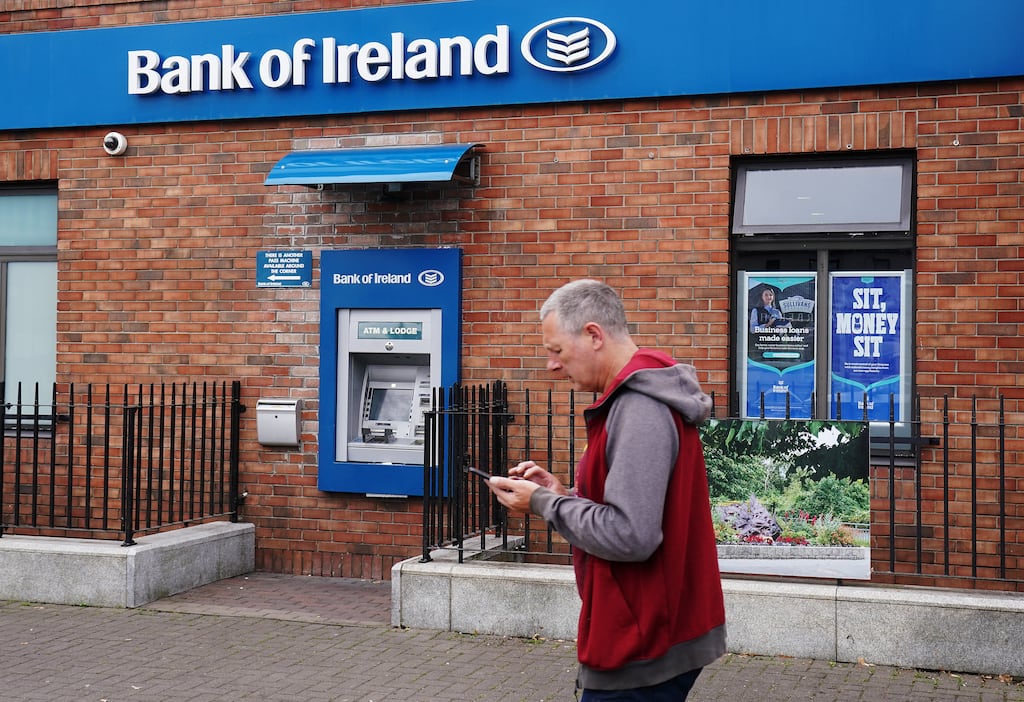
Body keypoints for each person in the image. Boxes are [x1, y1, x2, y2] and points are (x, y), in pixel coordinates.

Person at [486, 279, 726, 701]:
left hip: (642, 646)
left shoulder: (639, 407)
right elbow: (633, 511)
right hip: (651, 633)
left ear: (594, 335)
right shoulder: (636, 398)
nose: (552, 366)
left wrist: (543, 503)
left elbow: (631, 534)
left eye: (557, 351)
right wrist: (562, 495)